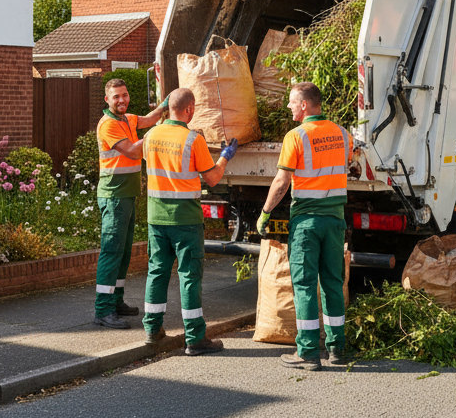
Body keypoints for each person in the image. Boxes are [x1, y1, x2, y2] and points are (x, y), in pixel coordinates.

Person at [257, 82, 354, 371]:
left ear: (304, 105)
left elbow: (282, 181)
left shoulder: (296, 136)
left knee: (304, 285)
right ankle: (337, 348)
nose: (288, 107)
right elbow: (347, 165)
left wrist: (265, 212)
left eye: (291, 102)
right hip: (335, 221)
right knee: (333, 284)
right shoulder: (342, 134)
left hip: (307, 224)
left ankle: (309, 352)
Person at [141, 88, 238, 355]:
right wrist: (225, 156)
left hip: (156, 217)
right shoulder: (192, 140)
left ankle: (152, 331)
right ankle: (195, 338)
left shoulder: (150, 136)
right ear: (189, 110)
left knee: (157, 272)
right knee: (189, 276)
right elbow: (213, 178)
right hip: (185, 220)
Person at [92, 78, 168, 329]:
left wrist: (168, 102)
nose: (122, 100)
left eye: (124, 95)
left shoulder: (128, 119)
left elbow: (151, 117)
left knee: (123, 252)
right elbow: (134, 151)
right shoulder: (109, 125)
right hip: (113, 196)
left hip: (127, 195)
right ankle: (103, 310)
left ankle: (116, 301)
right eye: (116, 97)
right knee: (111, 251)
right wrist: (156, 135)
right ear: (107, 100)